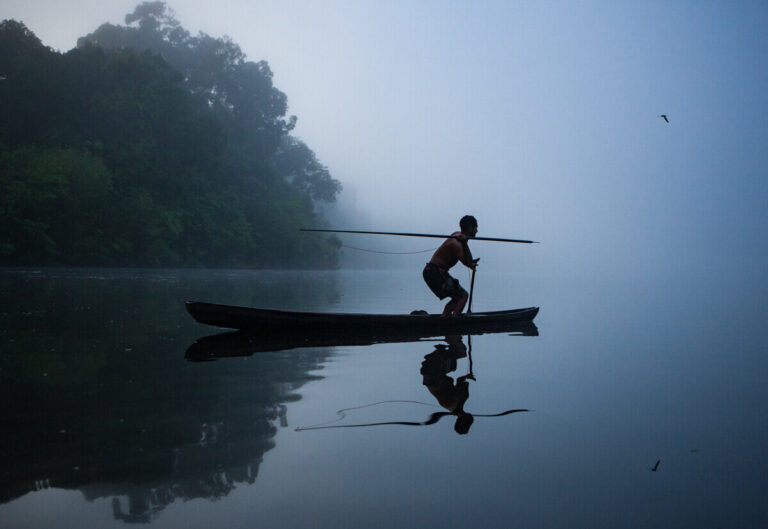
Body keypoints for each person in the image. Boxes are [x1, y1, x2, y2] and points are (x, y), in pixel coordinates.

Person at [422, 215, 479, 317]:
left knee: (457, 297)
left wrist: (471, 261)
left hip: (433, 271)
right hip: (435, 272)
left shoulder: (458, 237)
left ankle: (444, 320)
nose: (477, 231)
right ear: (470, 227)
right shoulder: (456, 243)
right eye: (475, 228)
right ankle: (453, 324)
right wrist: (471, 261)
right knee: (463, 296)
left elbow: (467, 260)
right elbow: (468, 263)